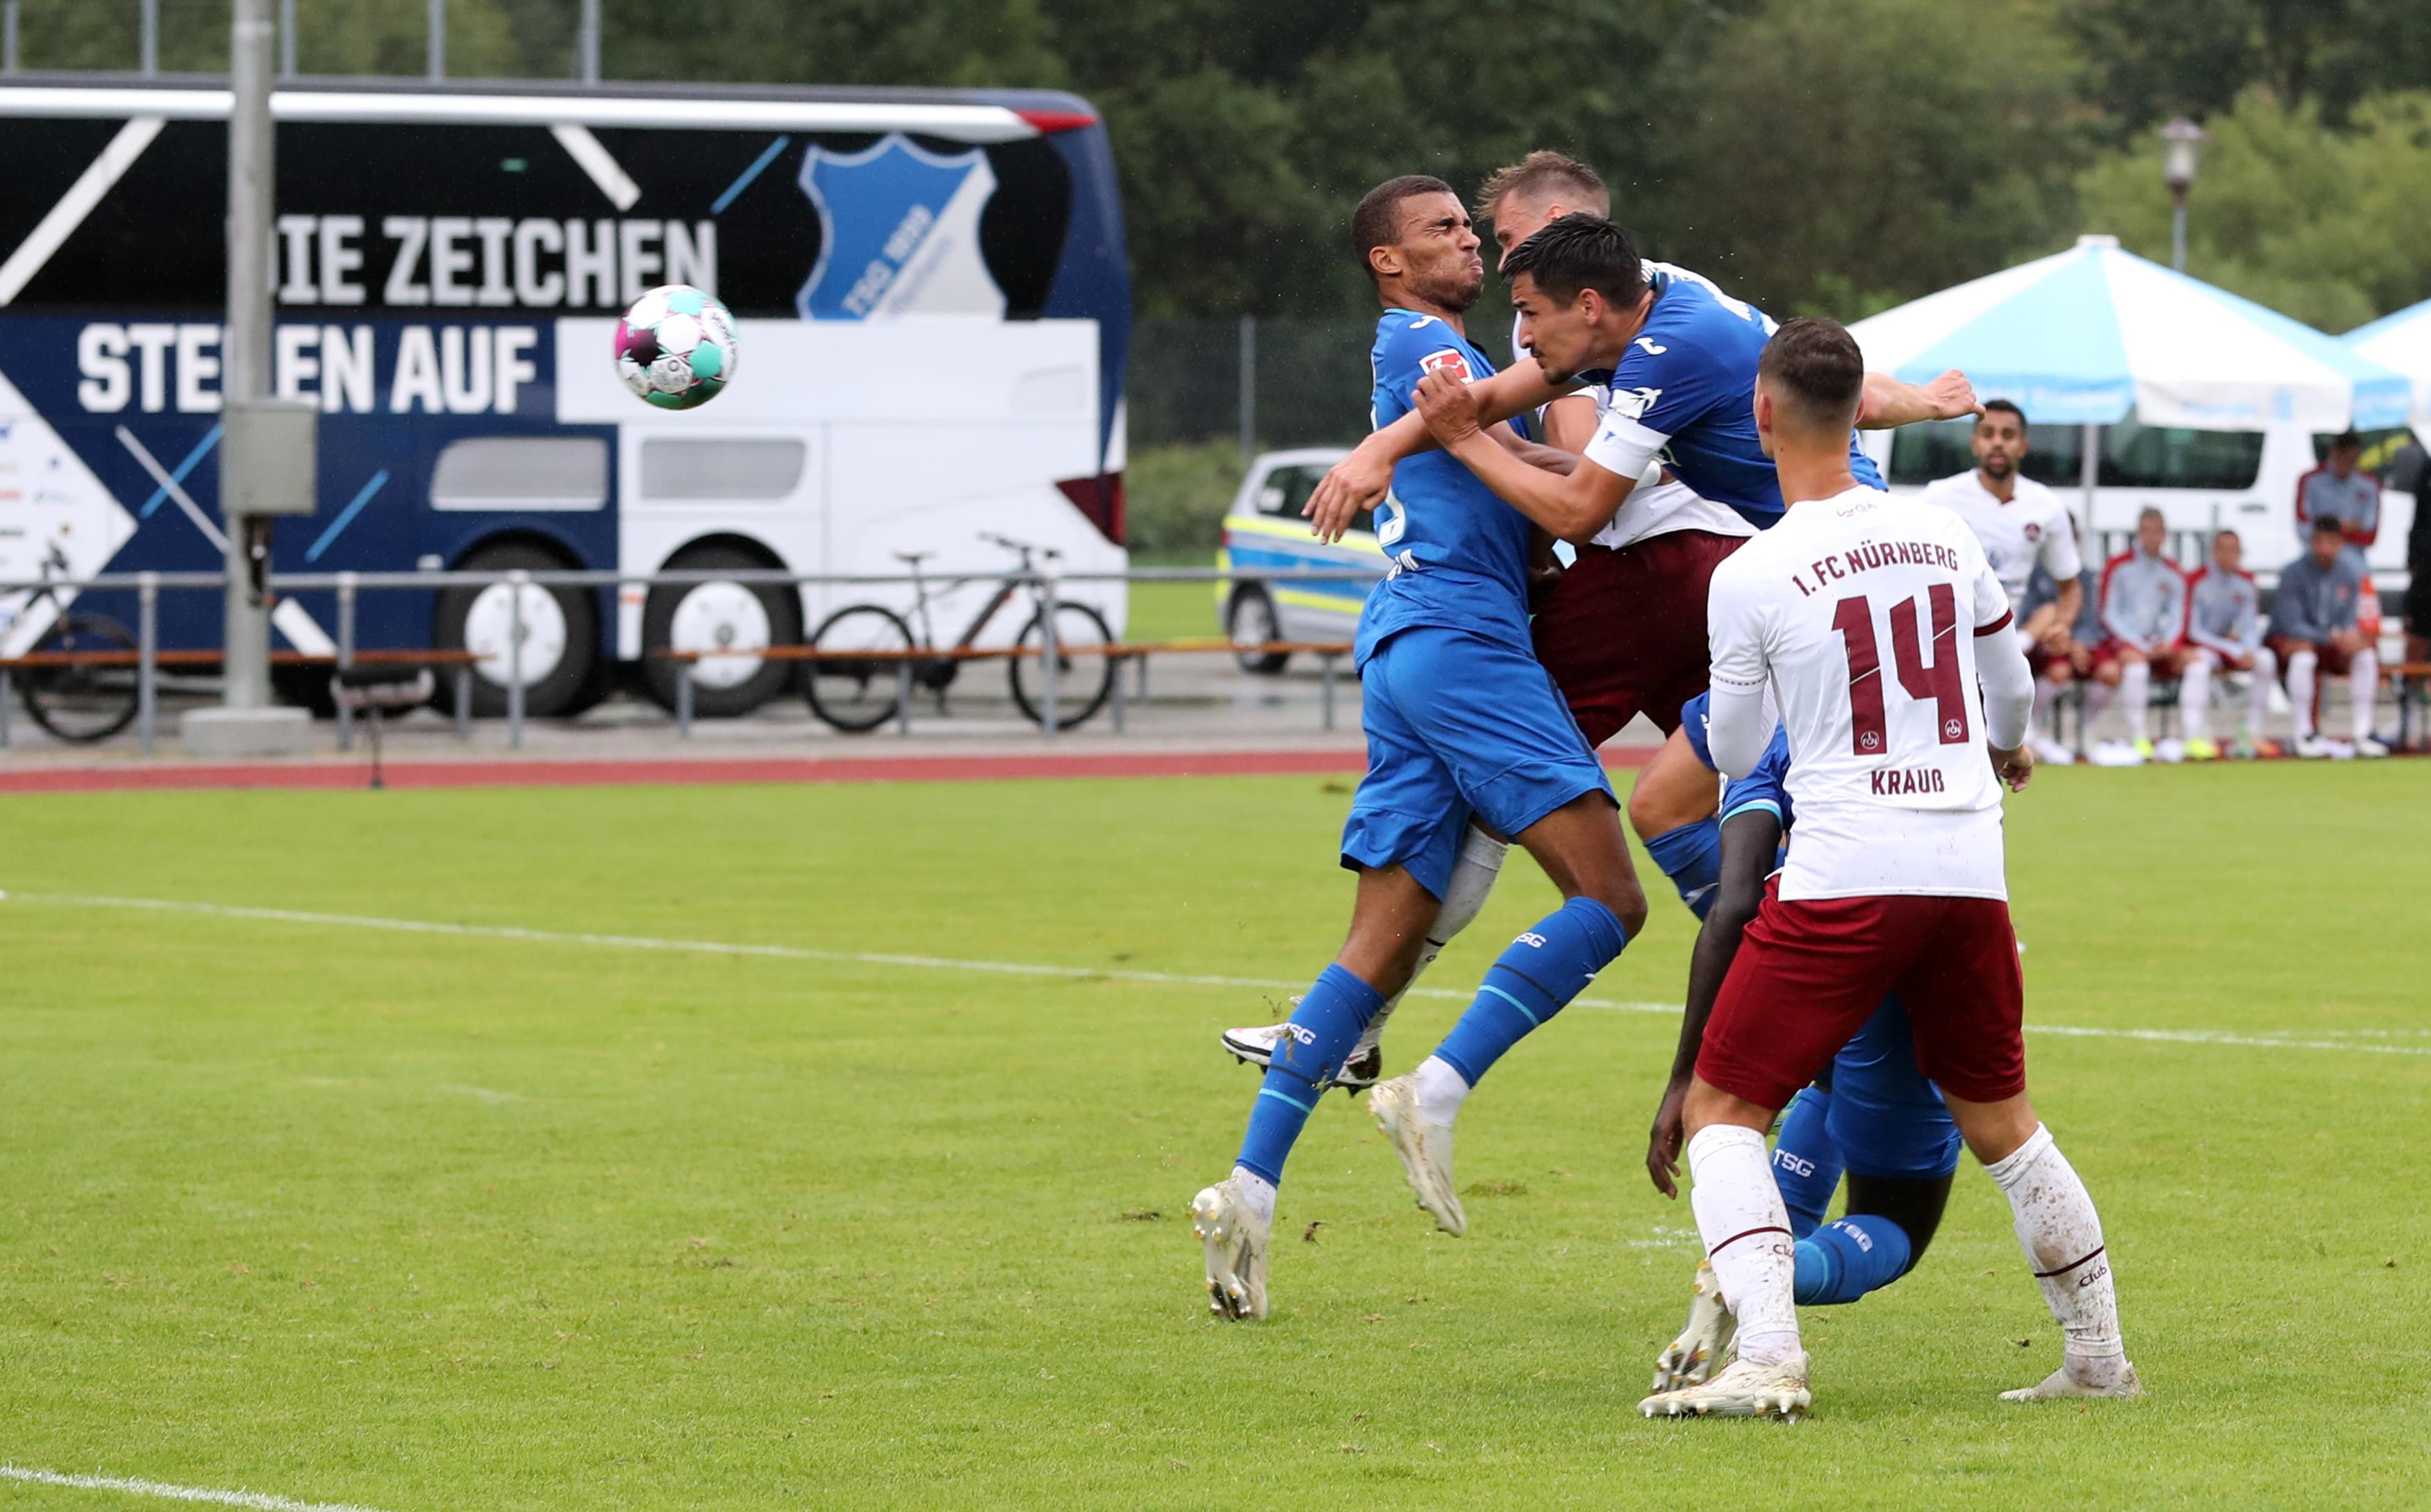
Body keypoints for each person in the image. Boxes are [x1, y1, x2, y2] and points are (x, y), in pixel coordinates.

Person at [1636, 317, 2134, 1419]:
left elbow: (1733, 753)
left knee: (1722, 1109)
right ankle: (2099, 1359)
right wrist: (2005, 747)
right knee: (2005, 1124)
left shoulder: (1753, 570)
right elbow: (2013, 690)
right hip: (1968, 869)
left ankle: (1770, 1358)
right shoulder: (1946, 534)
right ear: (1865, 412)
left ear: (1761, 413)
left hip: (1848, 873)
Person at [1190, 175, 1649, 1321]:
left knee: (1379, 946)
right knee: (1610, 897)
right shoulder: (1422, 344)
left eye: (1468, 228)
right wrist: (1617, 391)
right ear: (1387, 263)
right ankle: (1431, 1091)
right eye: (1442, 230)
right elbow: (1512, 410)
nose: (1469, 244)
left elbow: (1513, 462)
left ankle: (1246, 1190)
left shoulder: (1440, 350)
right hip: (1461, 637)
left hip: (1408, 645)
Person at [1641, 690, 1962, 1391]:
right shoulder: (1905, 691)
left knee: (1810, 1081)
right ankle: (2095, 1354)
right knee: (1906, 1215)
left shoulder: (1758, 737)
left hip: (1815, 935)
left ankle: (1744, 1273)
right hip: (1934, 927)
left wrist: (1681, 1076)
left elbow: (1731, 899)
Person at [1920, 401, 2082, 767]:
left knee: (1991, 763)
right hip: (1944, 642)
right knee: (1946, 758)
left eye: (2008, 435)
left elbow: (2070, 586)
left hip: (2000, 648)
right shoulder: (1939, 498)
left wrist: (2062, 624)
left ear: (2023, 446)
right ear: (1975, 443)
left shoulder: (2046, 507)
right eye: (1988, 434)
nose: (1997, 443)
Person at [2269, 515, 2388, 759]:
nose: (2325, 549)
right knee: (2303, 655)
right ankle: (2304, 733)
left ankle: (2363, 732)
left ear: (2340, 544)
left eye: (2331, 542)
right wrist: (2330, 637)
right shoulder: (2293, 573)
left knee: (2365, 655)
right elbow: (2292, 624)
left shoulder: (2350, 573)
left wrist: (2348, 636)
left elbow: (2349, 617)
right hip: (2293, 643)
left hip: (2329, 643)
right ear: (2312, 542)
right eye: (2320, 542)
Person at [2088, 508, 2191, 763]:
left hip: (2156, 643)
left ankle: (2194, 736)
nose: (2151, 537)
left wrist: (2169, 642)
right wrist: (2138, 644)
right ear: (2138, 533)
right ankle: (2139, 736)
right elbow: (2109, 613)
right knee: (2135, 666)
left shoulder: (2173, 572)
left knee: (2197, 662)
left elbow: (2178, 615)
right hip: (2119, 640)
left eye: (2156, 531)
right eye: (2146, 531)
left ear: (2164, 534)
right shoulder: (2118, 566)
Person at [2180, 530, 2278, 760]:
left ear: (2241, 553)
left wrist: (2248, 649)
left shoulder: (2246, 583)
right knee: (2198, 667)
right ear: (2213, 552)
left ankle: (2253, 731)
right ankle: (2194, 734)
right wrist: (2231, 650)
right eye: (2222, 549)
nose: (2227, 555)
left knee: (2266, 660)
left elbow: (2248, 625)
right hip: (2202, 645)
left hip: (2229, 645)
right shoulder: (2196, 581)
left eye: (2233, 550)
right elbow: (2194, 630)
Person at [2296, 430, 2380, 569]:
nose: (2345, 464)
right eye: (2341, 458)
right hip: (2316, 557)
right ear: (2333, 452)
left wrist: (2327, 528)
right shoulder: (2311, 480)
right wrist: (2348, 527)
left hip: (2353, 558)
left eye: (2351, 459)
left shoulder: (2369, 484)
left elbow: (2370, 532)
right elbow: (2302, 527)